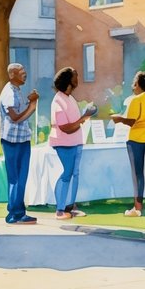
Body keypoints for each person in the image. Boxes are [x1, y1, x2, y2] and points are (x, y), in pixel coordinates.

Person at [113, 71, 145, 217]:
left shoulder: (135, 100)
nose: (132, 86)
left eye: (133, 83)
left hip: (137, 140)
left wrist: (118, 119)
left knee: (138, 174)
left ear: (137, 84)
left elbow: (131, 121)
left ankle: (137, 208)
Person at [49, 67, 97, 220]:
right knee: (67, 173)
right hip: (64, 143)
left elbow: (74, 123)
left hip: (76, 142)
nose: (78, 78)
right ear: (68, 80)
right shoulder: (58, 100)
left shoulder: (69, 98)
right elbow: (66, 127)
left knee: (75, 174)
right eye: (76, 75)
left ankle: (70, 206)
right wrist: (85, 117)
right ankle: (60, 210)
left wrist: (85, 114)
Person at [0, 62, 39, 224]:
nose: (25, 74)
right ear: (12, 74)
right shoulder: (9, 93)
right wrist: (32, 105)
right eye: (21, 72)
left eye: (24, 71)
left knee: (20, 178)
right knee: (16, 178)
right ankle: (14, 213)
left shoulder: (16, 91)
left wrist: (29, 102)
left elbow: (18, 113)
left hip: (20, 139)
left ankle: (18, 212)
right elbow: (14, 118)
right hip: (13, 141)